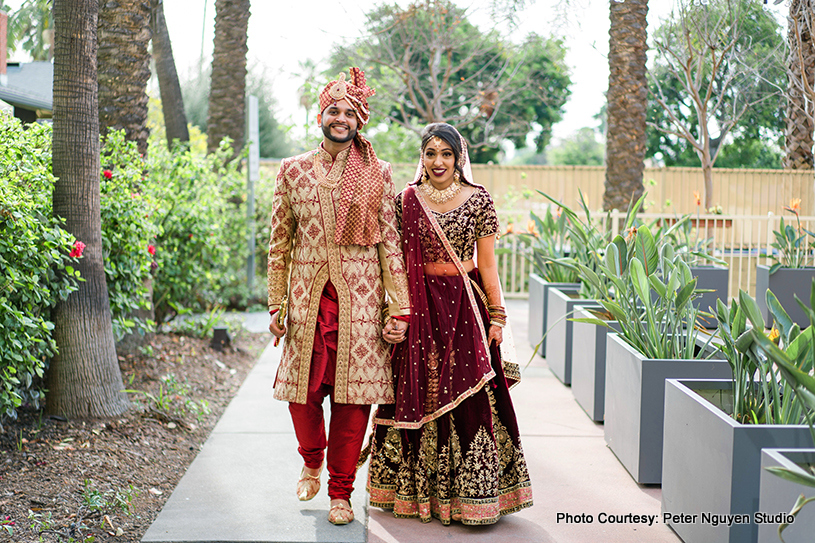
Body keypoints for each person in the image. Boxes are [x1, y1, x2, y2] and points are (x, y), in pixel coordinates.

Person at [366, 122, 533, 525]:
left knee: (471, 393)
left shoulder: (478, 200)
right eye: (430, 153)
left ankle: (472, 498)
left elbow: (488, 264)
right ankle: (416, 495)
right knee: (419, 389)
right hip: (418, 307)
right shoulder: (405, 200)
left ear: (460, 158)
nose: (438, 161)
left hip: (464, 306)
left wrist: (497, 316)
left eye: (446, 153)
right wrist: (393, 311)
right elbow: (388, 264)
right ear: (421, 158)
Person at [267, 67, 411, 526]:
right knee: (301, 395)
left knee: (353, 402)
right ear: (321, 117)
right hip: (308, 299)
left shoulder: (379, 173)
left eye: (350, 112)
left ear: (360, 120)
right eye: (334, 110)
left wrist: (400, 306)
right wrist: (276, 303)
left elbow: (389, 242)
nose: (341, 117)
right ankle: (311, 457)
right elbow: (279, 243)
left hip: (362, 301)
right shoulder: (293, 171)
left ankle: (341, 493)